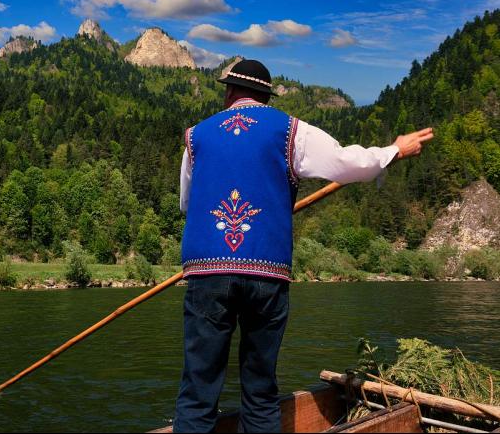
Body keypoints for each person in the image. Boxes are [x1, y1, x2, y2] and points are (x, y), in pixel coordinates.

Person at [173, 59, 433, 433]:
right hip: (266, 272)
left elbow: (187, 203)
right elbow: (349, 164)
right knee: (260, 391)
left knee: (198, 391)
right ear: (267, 96)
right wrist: (393, 149)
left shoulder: (195, 136)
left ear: (229, 92)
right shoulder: (291, 130)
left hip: (207, 273)